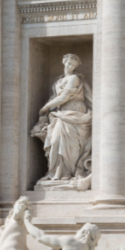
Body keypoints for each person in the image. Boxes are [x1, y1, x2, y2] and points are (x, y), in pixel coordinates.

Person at [33, 54, 92, 183]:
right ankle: (55, 172)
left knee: (71, 145)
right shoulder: (58, 81)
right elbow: (55, 96)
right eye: (68, 63)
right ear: (63, 63)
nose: (69, 66)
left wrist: (46, 107)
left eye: (73, 65)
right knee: (55, 141)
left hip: (74, 112)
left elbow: (64, 97)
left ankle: (68, 173)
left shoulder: (74, 78)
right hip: (60, 114)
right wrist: (49, 108)